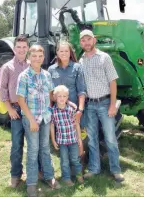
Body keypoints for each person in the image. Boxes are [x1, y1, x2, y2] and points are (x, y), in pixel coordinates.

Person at [78, 29, 125, 182]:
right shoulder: (81, 60)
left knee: (110, 138)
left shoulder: (104, 58)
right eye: (83, 40)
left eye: (88, 39)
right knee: (92, 139)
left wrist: (112, 105)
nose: (86, 42)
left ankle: (115, 169)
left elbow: (113, 81)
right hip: (90, 105)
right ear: (81, 43)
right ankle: (94, 169)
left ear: (94, 41)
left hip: (105, 103)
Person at [16, 45, 61, 197]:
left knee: (45, 148)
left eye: (40, 56)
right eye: (34, 56)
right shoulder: (24, 76)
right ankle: (31, 183)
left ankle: (49, 177)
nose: (37, 59)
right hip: (31, 120)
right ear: (29, 57)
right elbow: (21, 101)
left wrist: (61, 103)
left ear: (43, 58)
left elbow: (50, 95)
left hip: (45, 118)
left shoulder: (47, 75)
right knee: (33, 150)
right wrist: (32, 121)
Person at [0, 35, 32, 187]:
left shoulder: (32, 65)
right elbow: (2, 90)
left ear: (28, 48)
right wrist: (10, 109)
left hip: (31, 109)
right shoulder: (7, 67)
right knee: (17, 144)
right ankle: (15, 175)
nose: (22, 49)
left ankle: (36, 172)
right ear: (14, 49)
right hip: (16, 110)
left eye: (24, 47)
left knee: (34, 143)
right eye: (19, 47)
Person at [50, 85, 84, 186]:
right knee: (64, 161)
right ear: (55, 97)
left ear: (67, 97)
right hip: (62, 142)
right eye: (59, 96)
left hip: (73, 140)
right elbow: (52, 126)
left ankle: (79, 175)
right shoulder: (53, 111)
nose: (62, 98)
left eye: (64, 96)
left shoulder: (70, 109)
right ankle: (66, 178)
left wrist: (79, 138)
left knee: (75, 159)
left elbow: (76, 124)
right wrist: (53, 140)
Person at [47, 41, 86, 127]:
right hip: (57, 111)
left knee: (77, 136)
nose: (64, 53)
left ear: (70, 52)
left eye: (66, 51)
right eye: (61, 51)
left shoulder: (77, 67)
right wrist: (50, 110)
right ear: (57, 52)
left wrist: (80, 110)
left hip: (74, 110)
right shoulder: (51, 69)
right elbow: (50, 93)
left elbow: (81, 91)